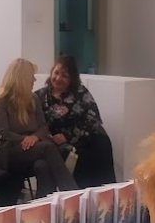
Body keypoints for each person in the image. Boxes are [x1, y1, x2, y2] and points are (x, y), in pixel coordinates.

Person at [0, 58, 78, 201]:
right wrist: (25, 139)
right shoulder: (0, 101)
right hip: (10, 149)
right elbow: (3, 133)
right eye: (31, 77)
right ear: (22, 79)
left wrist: (34, 137)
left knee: (42, 165)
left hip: (34, 145)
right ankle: (73, 196)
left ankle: (43, 205)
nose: (34, 80)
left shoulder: (33, 98)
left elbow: (43, 126)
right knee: (48, 147)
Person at [35, 55, 116, 188]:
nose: (58, 78)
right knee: (73, 154)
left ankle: (102, 194)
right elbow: (35, 123)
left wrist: (68, 136)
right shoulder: (39, 96)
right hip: (55, 142)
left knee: (100, 145)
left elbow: (93, 119)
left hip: (85, 136)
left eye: (64, 76)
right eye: (56, 73)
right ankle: (77, 194)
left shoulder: (81, 92)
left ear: (72, 79)